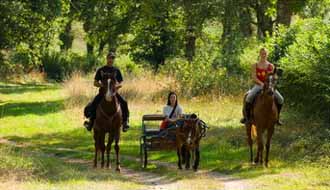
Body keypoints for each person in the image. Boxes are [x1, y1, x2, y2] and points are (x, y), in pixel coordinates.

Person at [83, 52, 130, 132]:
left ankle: (125, 122)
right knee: (94, 103)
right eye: (109, 58)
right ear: (106, 58)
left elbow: (121, 82)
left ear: (113, 60)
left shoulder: (116, 70)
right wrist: (102, 86)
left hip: (113, 93)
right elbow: (95, 82)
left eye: (112, 58)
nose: (110, 60)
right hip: (102, 93)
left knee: (124, 102)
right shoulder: (101, 70)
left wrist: (117, 86)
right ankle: (91, 123)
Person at [240, 48, 284, 125]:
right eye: (262, 53)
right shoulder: (255, 65)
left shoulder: (271, 66)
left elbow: (274, 77)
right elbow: (254, 77)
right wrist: (261, 84)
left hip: (269, 86)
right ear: (259, 54)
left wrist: (275, 76)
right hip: (259, 85)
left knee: (281, 99)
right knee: (249, 97)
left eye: (265, 53)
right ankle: (247, 118)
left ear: (267, 54)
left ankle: (277, 118)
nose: (263, 55)